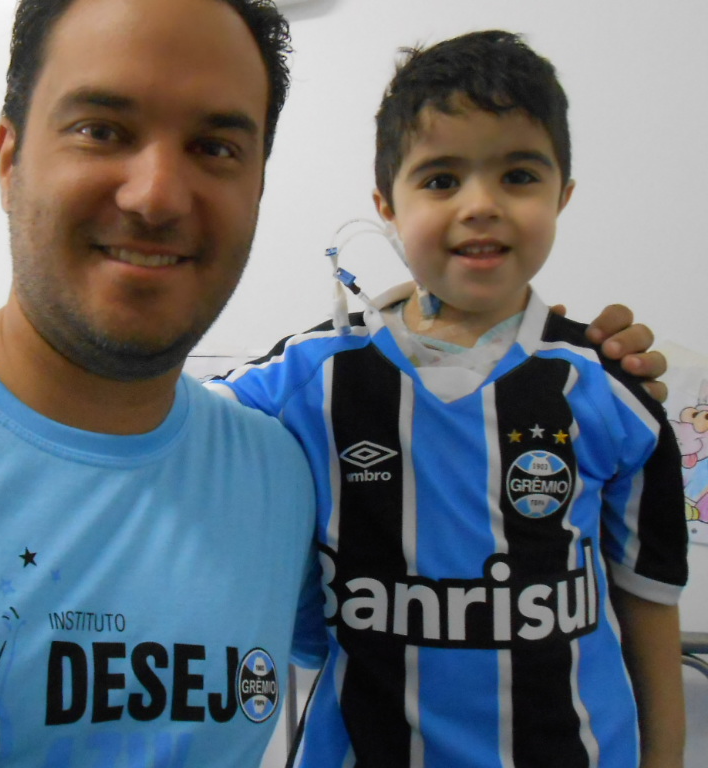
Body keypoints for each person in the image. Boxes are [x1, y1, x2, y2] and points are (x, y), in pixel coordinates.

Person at [0, 1, 665, 765]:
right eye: (102, 128)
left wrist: (511, 329)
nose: (156, 194)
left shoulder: (276, 475)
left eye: (214, 146)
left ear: (257, 189)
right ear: (8, 153)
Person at [209, 30, 687, 768]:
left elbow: (649, 609)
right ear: (386, 207)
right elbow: (167, 429)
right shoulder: (308, 380)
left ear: (563, 195)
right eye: (439, 180)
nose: (481, 206)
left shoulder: (611, 388)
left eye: (519, 175)